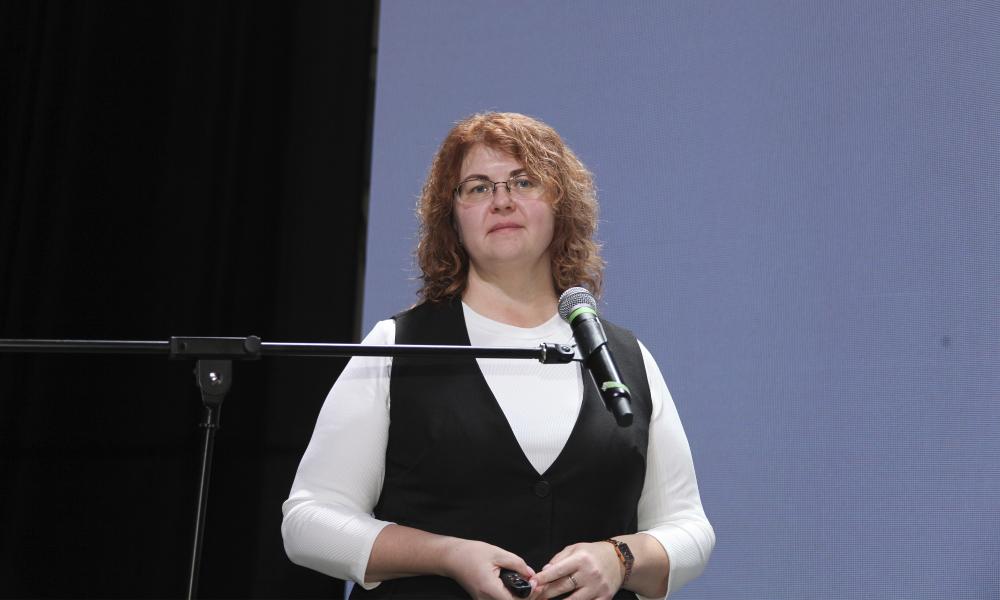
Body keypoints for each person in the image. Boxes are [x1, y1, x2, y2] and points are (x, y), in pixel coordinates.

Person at [282, 112, 714, 599]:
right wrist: (447, 554)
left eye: (524, 182)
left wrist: (620, 558)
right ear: (452, 217)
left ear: (561, 205)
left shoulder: (627, 359)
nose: (502, 200)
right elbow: (308, 521)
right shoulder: (396, 346)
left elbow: (689, 529)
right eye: (478, 187)